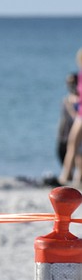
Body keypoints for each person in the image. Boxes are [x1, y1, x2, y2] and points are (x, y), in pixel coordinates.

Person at [59, 55, 82, 185]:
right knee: (75, 145)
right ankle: (74, 177)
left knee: (73, 144)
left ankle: (66, 176)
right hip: (80, 113)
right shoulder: (79, 75)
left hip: (81, 115)